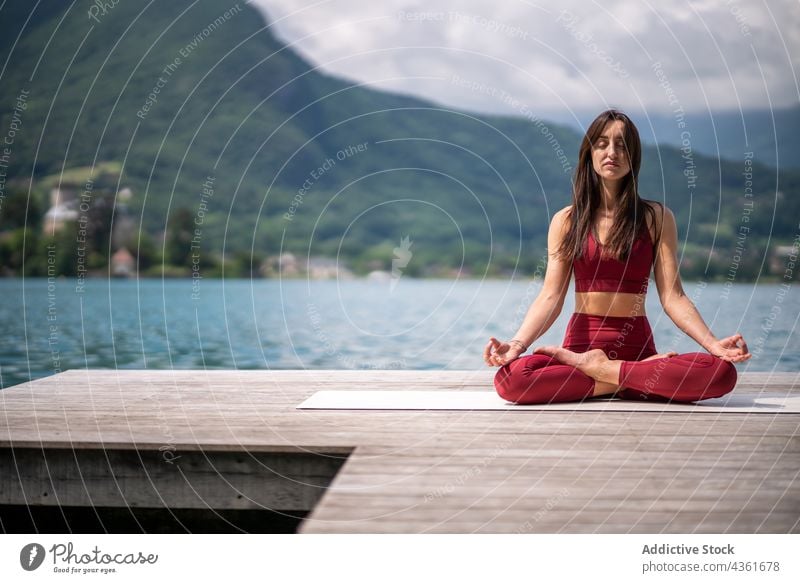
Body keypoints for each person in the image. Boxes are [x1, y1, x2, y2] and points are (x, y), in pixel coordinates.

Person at [484, 109, 751, 404]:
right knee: (511, 381)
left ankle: (606, 373)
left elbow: (673, 297)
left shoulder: (656, 218)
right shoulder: (567, 220)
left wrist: (713, 344)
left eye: (622, 144)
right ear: (589, 153)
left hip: (637, 351)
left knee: (721, 373)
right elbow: (550, 297)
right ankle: (627, 382)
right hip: (580, 351)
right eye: (602, 143)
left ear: (633, 155)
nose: (612, 152)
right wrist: (517, 345)